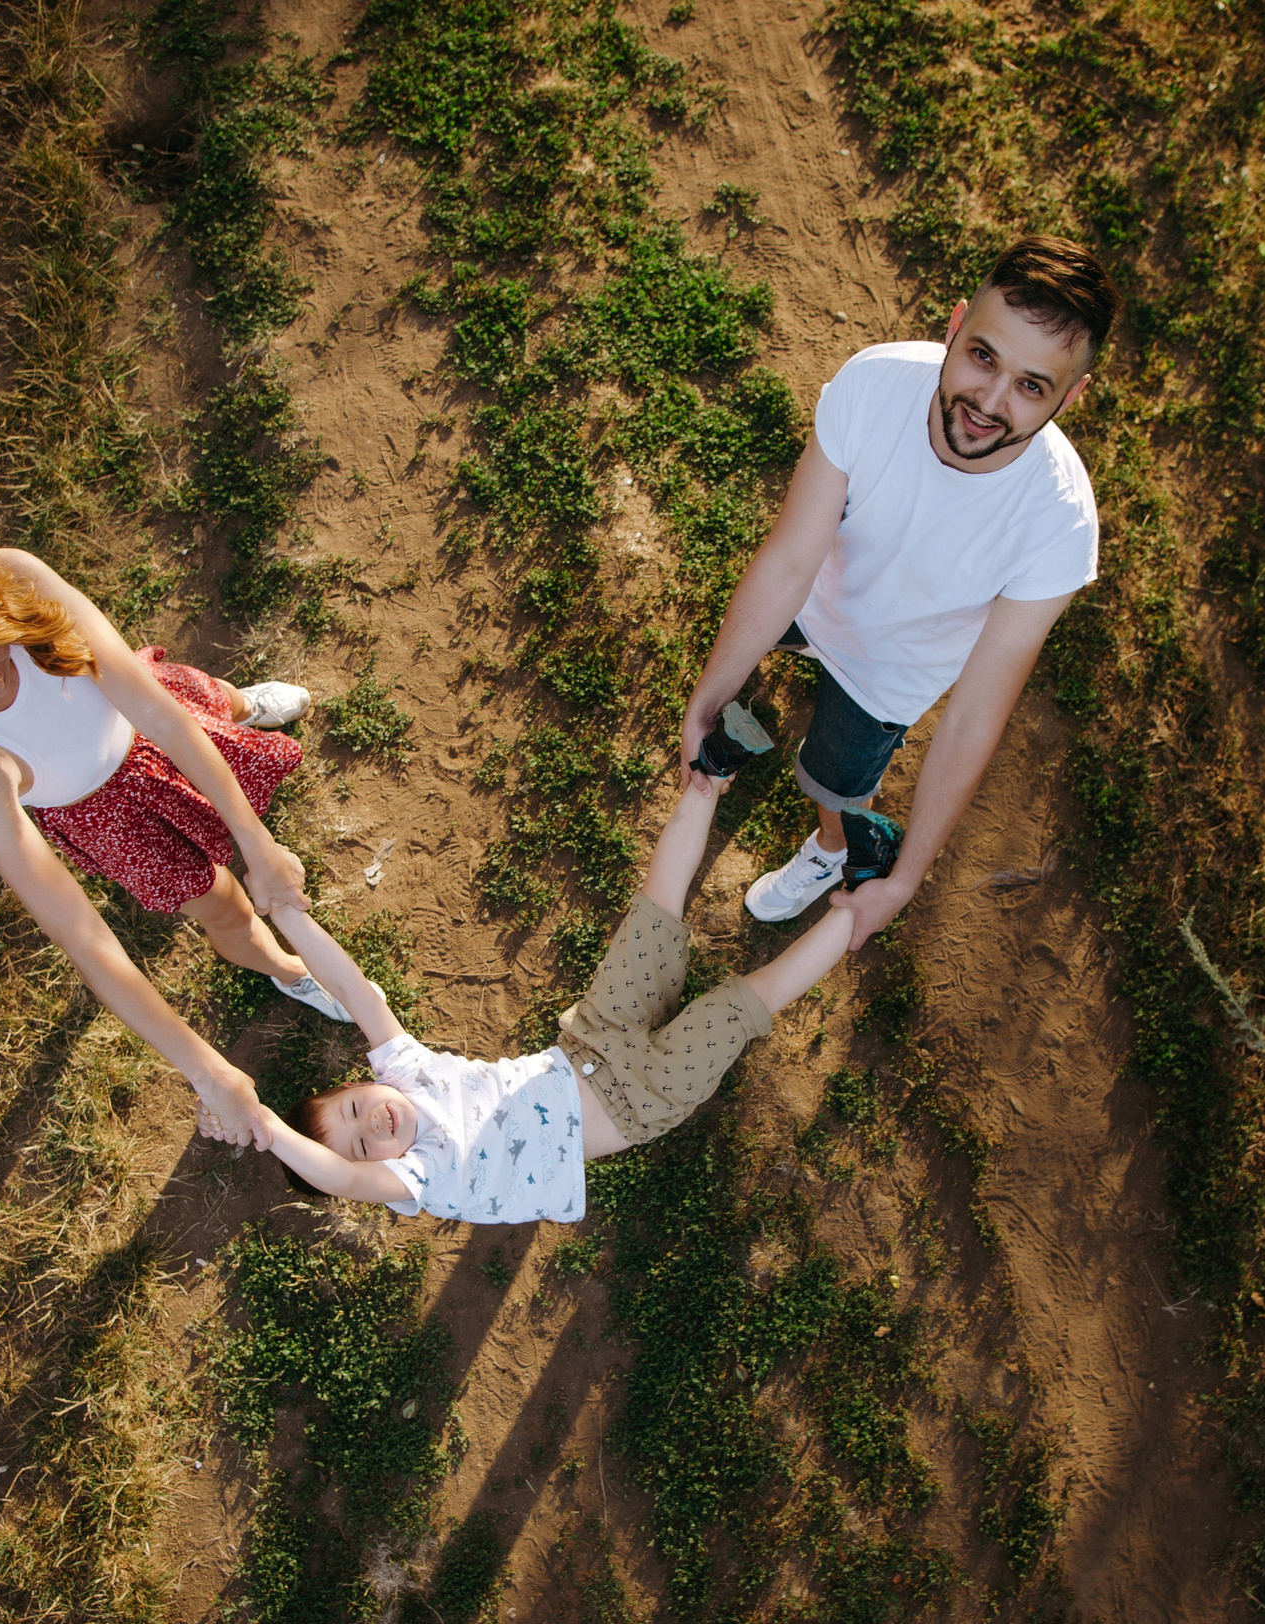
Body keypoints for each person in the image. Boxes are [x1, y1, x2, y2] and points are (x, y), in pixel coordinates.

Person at [0, 521, 353, 1143]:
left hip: (151, 720)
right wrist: (207, 1071)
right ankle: (286, 969)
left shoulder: (16, 577)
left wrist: (257, 842)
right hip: (112, 817)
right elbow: (82, 934)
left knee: (210, 702)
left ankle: (244, 706)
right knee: (225, 908)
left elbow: (159, 713)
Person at [679, 233, 1120, 943]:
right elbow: (789, 563)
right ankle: (745, 716)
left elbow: (974, 714)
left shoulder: (1059, 526)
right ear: (955, 325)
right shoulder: (873, 384)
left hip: (886, 677)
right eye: (983, 356)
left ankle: (830, 850)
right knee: (755, 662)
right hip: (812, 600)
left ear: (1071, 395)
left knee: (833, 787)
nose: (989, 401)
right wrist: (706, 698)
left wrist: (906, 877)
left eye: (1031, 386)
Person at [244, 769, 853, 1220]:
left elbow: (351, 987)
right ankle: (857, 909)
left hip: (592, 1038)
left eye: (354, 1108)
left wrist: (287, 915)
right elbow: (344, 1181)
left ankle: (712, 772)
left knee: (654, 915)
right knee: (738, 1006)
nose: (372, 1124)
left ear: (359, 1083)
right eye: (362, 1146)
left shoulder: (408, 1073)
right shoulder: (421, 1175)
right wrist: (266, 1128)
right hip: (642, 1100)